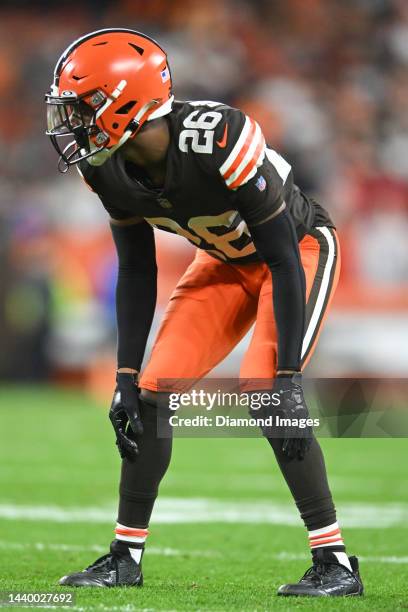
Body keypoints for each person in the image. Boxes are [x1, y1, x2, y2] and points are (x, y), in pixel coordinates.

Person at [45, 28, 363, 597]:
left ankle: (336, 563)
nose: (71, 121)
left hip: (297, 250)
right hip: (221, 261)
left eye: (83, 106)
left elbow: (283, 259)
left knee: (268, 393)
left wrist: (289, 378)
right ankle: (125, 557)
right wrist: (121, 375)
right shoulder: (107, 167)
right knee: (149, 393)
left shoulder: (217, 137)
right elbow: (137, 269)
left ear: (127, 103)